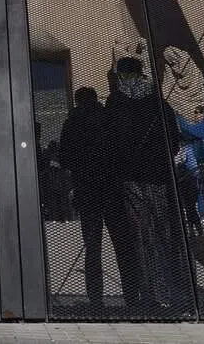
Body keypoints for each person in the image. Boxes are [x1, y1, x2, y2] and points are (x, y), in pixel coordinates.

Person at [103, 57, 188, 310]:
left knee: (142, 235)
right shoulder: (159, 103)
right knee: (167, 233)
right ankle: (179, 292)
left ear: (121, 75)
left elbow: (110, 141)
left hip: (131, 177)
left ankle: (153, 292)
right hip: (159, 177)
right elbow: (173, 140)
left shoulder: (115, 103)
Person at [60, 86, 137, 308]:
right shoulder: (107, 119)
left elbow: (65, 157)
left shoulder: (72, 123)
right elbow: (122, 149)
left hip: (87, 189)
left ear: (77, 101)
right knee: (122, 244)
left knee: (92, 247)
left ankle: (95, 298)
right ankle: (132, 295)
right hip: (112, 188)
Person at [179, 107, 204, 225]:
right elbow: (186, 133)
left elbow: (188, 129)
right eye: (194, 113)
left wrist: (179, 117)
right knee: (202, 190)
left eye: (199, 113)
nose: (196, 115)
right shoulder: (202, 128)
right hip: (202, 164)